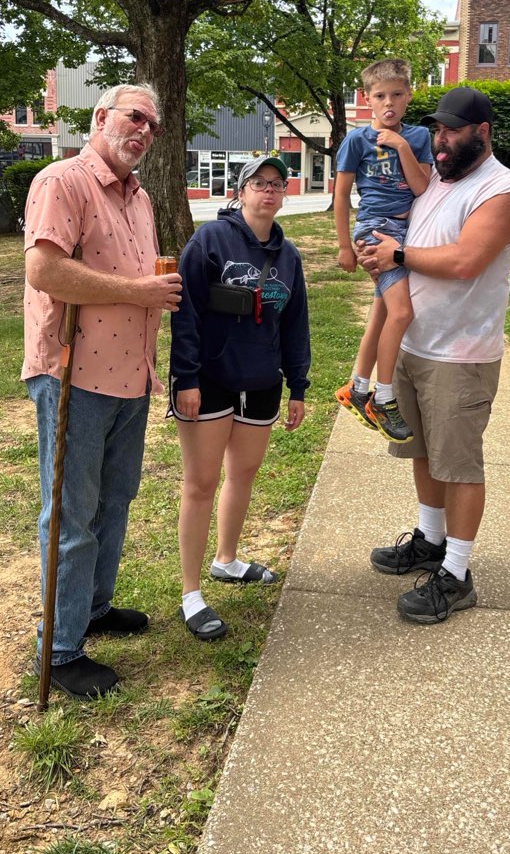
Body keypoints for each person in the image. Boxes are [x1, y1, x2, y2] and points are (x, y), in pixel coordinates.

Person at [22, 84, 182, 699]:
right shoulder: (63, 181)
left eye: (154, 125)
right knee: (71, 516)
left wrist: (153, 292)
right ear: (100, 117)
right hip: (73, 374)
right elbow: (44, 269)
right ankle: (60, 652)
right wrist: (137, 292)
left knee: (114, 502)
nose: (143, 130)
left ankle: (91, 609)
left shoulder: (140, 197)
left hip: (130, 374)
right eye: (134, 116)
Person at [358, 86, 510, 624]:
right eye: (438, 129)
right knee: (421, 453)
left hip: (459, 355)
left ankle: (457, 574)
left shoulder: (504, 192)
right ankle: (431, 541)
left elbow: (465, 261)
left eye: (452, 130)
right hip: (414, 341)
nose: (442, 139)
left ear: (482, 132)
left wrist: (398, 253)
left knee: (458, 466)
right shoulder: (443, 175)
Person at [168, 155, 310, 642]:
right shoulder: (211, 239)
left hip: (263, 382)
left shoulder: (288, 256)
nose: (268, 191)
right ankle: (191, 593)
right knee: (201, 482)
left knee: (243, 475)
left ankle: (226, 560)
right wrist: (185, 377)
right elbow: (185, 311)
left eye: (277, 184)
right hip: (208, 380)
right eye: (259, 183)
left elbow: (294, 324)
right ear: (241, 190)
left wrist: (298, 385)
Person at [334, 59, 433, 442]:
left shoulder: (419, 136)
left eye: (396, 94)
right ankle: (384, 398)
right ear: (367, 99)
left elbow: (422, 187)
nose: (388, 102)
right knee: (402, 312)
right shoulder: (356, 140)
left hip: (407, 234)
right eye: (379, 96)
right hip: (375, 232)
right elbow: (342, 194)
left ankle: (358, 389)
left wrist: (400, 145)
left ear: (408, 96)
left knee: (381, 313)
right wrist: (345, 245)